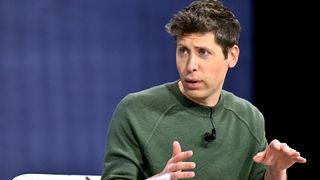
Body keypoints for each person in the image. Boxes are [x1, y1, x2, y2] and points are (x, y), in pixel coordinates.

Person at [101, 0, 306, 179]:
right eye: (183, 51)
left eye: (203, 52)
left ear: (232, 56)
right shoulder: (136, 111)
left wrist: (277, 170)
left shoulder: (249, 118)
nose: (190, 65)